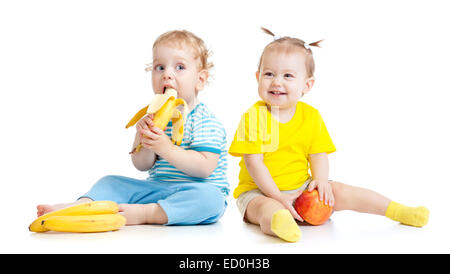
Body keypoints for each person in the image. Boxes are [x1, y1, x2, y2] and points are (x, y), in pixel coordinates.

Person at [228, 27, 429, 242]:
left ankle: (398, 211)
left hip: (301, 187)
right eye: (269, 74)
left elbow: (318, 154)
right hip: (259, 191)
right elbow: (254, 164)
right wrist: (278, 197)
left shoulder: (311, 116)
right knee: (265, 208)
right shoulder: (255, 117)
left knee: (339, 190)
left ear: (307, 85)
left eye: (288, 75)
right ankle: (280, 223)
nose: (277, 82)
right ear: (258, 77)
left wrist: (320, 181)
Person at [36, 30, 229, 226]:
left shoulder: (205, 121)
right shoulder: (153, 116)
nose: (167, 75)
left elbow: (204, 168)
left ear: (200, 80)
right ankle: (81, 206)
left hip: (194, 192)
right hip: (155, 188)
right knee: (110, 181)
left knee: (211, 199)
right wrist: (142, 140)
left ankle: (148, 213)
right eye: (159, 67)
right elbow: (142, 165)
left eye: (179, 67)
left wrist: (166, 149)